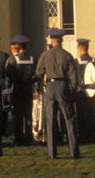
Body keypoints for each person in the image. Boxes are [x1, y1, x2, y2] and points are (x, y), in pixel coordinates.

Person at [34, 29, 80, 159]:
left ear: (51, 40)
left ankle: (52, 152)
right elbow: (73, 76)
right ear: (62, 40)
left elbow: (38, 73)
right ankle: (73, 151)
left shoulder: (45, 55)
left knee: (50, 120)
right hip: (63, 86)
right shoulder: (67, 55)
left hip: (50, 86)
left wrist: (38, 87)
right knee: (69, 119)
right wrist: (73, 89)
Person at [7, 36, 35, 145]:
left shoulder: (13, 59)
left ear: (18, 47)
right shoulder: (32, 59)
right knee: (28, 113)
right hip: (28, 88)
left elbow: (8, 75)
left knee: (17, 114)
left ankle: (18, 137)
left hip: (17, 89)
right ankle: (29, 135)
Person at [74, 38, 95, 145]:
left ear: (79, 47)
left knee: (81, 115)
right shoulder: (94, 61)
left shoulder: (76, 61)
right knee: (90, 114)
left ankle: (83, 137)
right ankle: (91, 137)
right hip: (91, 90)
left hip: (80, 91)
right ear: (87, 47)